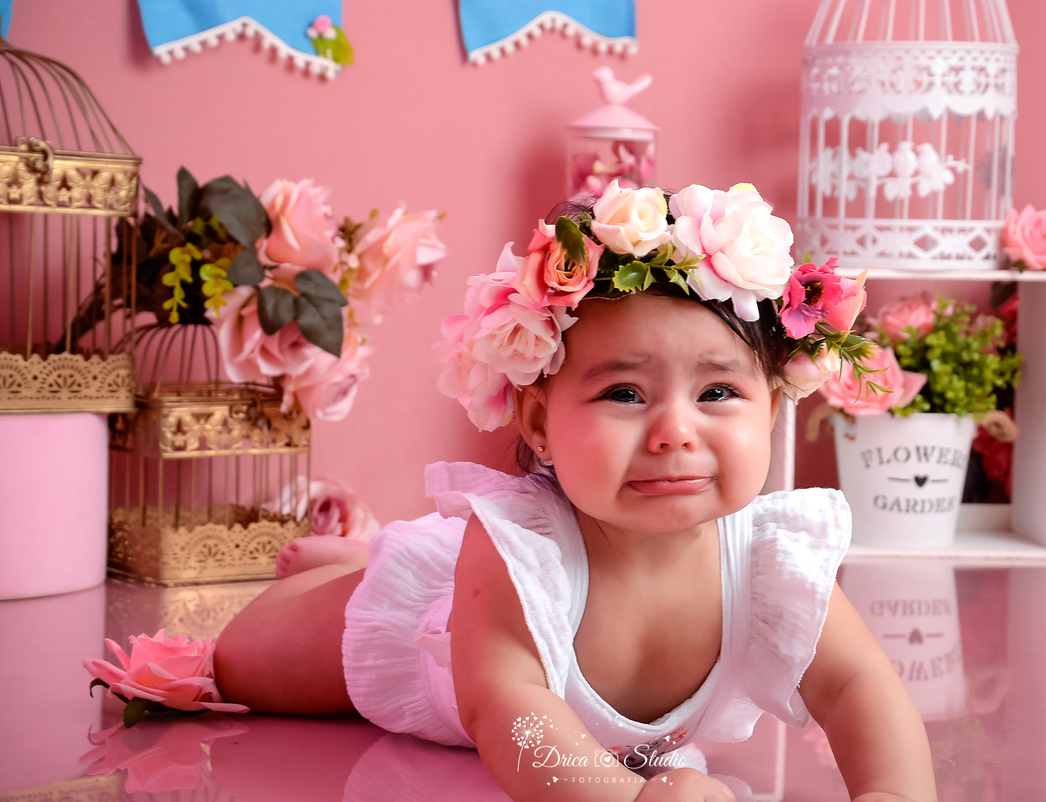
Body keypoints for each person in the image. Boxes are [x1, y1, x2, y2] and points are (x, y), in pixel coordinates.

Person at [214, 181, 938, 802]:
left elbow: (856, 685)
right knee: (239, 658)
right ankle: (358, 568)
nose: (674, 432)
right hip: (427, 633)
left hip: (483, 584)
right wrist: (627, 797)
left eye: (717, 391)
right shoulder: (519, 551)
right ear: (538, 419)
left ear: (773, 412)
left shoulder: (771, 560)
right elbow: (511, 710)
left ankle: (375, 549)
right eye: (625, 392)